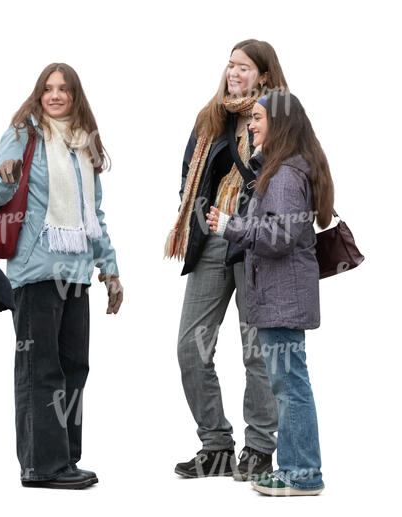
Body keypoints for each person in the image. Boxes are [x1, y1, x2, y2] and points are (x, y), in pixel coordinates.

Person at [0, 62, 122, 489]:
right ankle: (41, 465)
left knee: (74, 367)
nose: (55, 95)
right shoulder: (24, 134)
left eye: (64, 89)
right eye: (48, 88)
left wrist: (110, 268)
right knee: (41, 370)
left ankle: (65, 459)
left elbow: (92, 215)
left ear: (75, 96)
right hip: (36, 271)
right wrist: (5, 179)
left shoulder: (84, 146)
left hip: (76, 274)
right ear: (38, 94)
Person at [165, 40, 288, 480]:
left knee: (256, 352)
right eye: (230, 64)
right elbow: (189, 172)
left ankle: (258, 448)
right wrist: (195, 214)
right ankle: (215, 444)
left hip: (255, 240)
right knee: (190, 347)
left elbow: (287, 175)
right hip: (213, 238)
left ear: (264, 76)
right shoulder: (212, 116)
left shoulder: (278, 119)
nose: (233, 71)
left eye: (243, 66)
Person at [207, 91, 334, 496]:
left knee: (289, 385)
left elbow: (279, 236)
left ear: (279, 123)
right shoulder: (282, 170)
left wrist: (231, 227)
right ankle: (298, 470)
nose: (251, 125)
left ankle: (302, 473)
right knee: (289, 383)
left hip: (282, 298)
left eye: (258, 118)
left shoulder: (282, 176)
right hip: (282, 296)